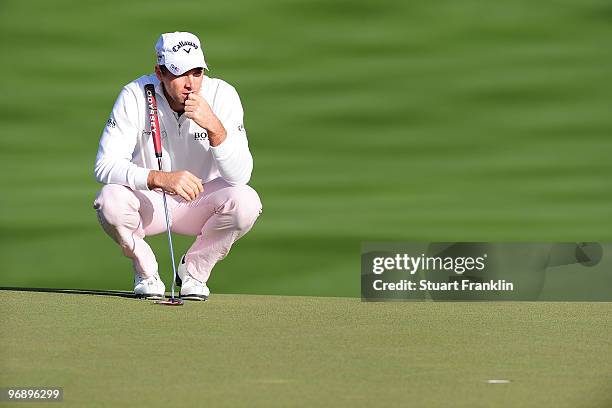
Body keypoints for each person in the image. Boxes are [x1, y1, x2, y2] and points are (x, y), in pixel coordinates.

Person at [93, 32, 262, 300]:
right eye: (179, 73)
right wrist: (160, 178)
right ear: (159, 72)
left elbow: (240, 176)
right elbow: (104, 166)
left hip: (201, 200)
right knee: (109, 200)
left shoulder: (223, 95)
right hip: (149, 202)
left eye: (197, 73)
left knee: (247, 202)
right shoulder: (135, 95)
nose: (190, 84)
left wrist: (214, 127)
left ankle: (194, 272)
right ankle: (146, 271)